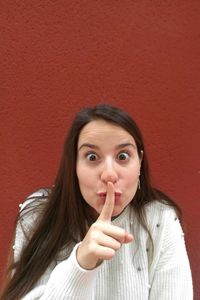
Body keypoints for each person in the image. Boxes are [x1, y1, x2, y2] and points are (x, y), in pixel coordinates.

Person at [0, 104, 193, 300]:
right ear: (74, 164)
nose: (109, 174)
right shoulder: (38, 215)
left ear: (140, 162)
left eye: (123, 156)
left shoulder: (160, 220)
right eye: (92, 157)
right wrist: (80, 265)